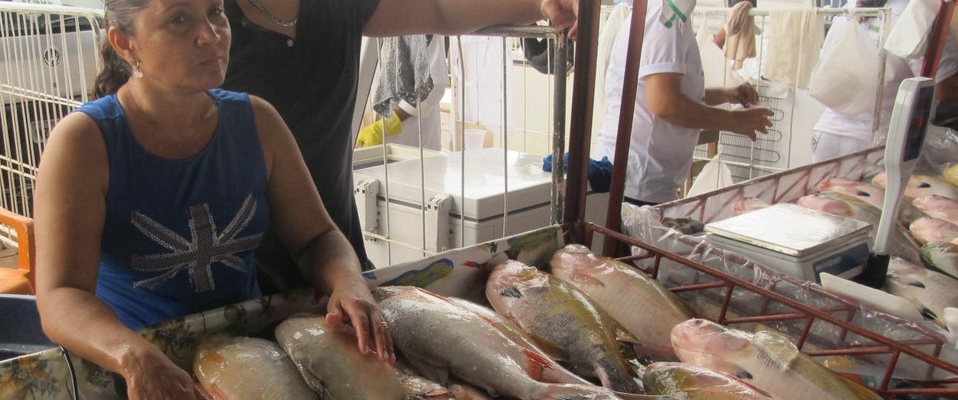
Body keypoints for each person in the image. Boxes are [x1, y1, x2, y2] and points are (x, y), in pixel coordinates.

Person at [33, 0, 394, 400]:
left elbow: (317, 237)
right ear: (125, 42)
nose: (210, 35)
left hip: (250, 359)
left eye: (216, 13)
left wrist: (347, 281)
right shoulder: (84, 142)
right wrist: (134, 356)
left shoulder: (257, 122)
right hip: (139, 373)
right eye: (179, 20)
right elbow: (60, 295)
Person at [221, 0, 579, 293]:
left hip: (338, 265)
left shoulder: (337, 5)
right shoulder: (206, 23)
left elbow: (440, 9)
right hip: (234, 281)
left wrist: (541, 2)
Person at [593, 0, 774, 206]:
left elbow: (666, 90)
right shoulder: (665, 17)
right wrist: (734, 121)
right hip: (636, 180)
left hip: (643, 178)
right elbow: (666, 104)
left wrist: (728, 95)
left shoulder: (673, 15)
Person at [812, 0, 958, 161]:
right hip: (880, 141)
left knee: (826, 186)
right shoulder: (918, 14)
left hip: (827, 133)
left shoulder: (850, 9)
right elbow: (945, 88)